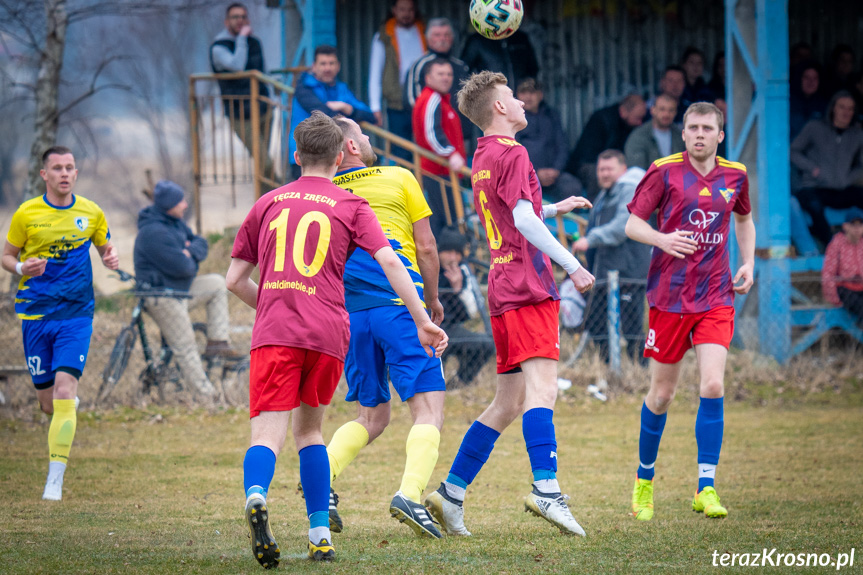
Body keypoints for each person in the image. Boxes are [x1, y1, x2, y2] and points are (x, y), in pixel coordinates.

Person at [226, 111, 447, 566]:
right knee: (310, 431)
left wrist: (270, 306)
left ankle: (255, 494)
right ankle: (321, 535)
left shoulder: (268, 202)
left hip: (278, 330)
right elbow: (391, 260)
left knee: (268, 434)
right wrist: (423, 316)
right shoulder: (351, 204)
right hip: (328, 329)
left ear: (296, 155)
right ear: (339, 154)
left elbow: (233, 280)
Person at [423, 71, 595, 538]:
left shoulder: (483, 155)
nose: (521, 102)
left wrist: (554, 208)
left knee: (507, 401)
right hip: (528, 284)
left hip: (501, 283)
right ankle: (546, 489)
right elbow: (520, 218)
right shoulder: (515, 152)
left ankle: (451, 493)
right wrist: (572, 266)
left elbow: (510, 208)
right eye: (514, 97)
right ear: (499, 108)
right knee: (544, 391)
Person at [625, 102, 756, 522]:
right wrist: (662, 240)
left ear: (720, 135)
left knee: (713, 384)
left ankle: (706, 487)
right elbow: (633, 224)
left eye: (707, 128)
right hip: (669, 298)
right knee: (662, 395)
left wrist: (749, 262)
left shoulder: (735, 175)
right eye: (692, 127)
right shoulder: (663, 170)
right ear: (683, 134)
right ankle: (644, 482)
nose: (699, 134)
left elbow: (744, 219)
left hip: (716, 294)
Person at [320, 115, 447, 539]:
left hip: (350, 314)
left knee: (371, 415)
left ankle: (323, 479)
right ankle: (410, 495)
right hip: (399, 305)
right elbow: (426, 247)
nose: (370, 137)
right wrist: (429, 303)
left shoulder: (325, 192)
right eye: (363, 133)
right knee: (428, 409)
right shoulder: (397, 176)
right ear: (351, 147)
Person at [2, 146, 119, 501]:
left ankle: (55, 479)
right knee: (49, 404)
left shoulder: (91, 212)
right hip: (36, 315)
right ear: (45, 175)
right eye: (57, 168)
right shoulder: (26, 214)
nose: (64, 173)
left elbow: (106, 249)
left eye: (70, 167)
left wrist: (111, 257)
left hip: (76, 315)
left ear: (76, 173)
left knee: (66, 390)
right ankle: (63, 409)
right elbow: (7, 256)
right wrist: (22, 268)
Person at [133, 180, 241, 399]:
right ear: (168, 205)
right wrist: (189, 256)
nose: (184, 205)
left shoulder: (175, 222)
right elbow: (184, 268)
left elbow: (200, 243)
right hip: (161, 296)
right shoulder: (153, 233)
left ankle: (217, 343)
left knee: (217, 283)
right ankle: (208, 398)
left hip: (180, 289)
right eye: (180, 201)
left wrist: (190, 252)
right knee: (186, 345)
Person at [572, 150, 650, 365]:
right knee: (596, 323)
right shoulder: (604, 194)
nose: (604, 174)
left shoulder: (629, 190)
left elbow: (623, 226)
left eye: (609, 169)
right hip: (604, 272)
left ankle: (639, 372)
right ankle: (607, 367)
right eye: (601, 169)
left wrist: (591, 239)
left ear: (623, 170)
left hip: (629, 272)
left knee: (632, 326)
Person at [288, 45, 376, 181]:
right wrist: (344, 112)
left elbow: (370, 115)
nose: (327, 68)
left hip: (334, 157)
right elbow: (324, 115)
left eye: (331, 63)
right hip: (305, 154)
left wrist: (346, 107)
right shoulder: (304, 88)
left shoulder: (341, 88)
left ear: (338, 66)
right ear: (314, 66)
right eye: (323, 64)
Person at [209, 3, 273, 178]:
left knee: (263, 165)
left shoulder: (255, 42)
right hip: (240, 113)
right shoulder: (219, 47)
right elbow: (237, 66)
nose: (240, 20)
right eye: (235, 17)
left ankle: (267, 204)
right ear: (226, 21)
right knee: (265, 163)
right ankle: (284, 195)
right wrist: (242, 39)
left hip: (263, 108)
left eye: (243, 17)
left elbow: (262, 72)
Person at [791, 91, 863, 245]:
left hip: (841, 188)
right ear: (833, 109)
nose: (846, 112)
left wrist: (849, 177)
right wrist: (813, 169)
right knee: (813, 205)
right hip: (815, 186)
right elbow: (793, 151)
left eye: (850, 109)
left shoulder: (857, 134)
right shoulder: (814, 127)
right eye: (842, 107)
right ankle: (833, 248)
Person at [412, 58, 466, 237]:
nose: (446, 78)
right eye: (440, 74)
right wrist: (450, 154)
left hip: (443, 171)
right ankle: (445, 263)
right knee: (447, 222)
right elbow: (431, 133)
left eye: (449, 74)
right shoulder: (432, 98)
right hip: (437, 171)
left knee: (445, 220)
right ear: (428, 77)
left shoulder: (439, 99)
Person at [436, 227, 496, 387]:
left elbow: (469, 313)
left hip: (451, 329)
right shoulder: (427, 267)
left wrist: (458, 289)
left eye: (457, 253)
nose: (453, 258)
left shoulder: (463, 272)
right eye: (448, 252)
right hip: (425, 327)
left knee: (485, 344)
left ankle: (459, 383)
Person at [369, 0, 426, 161]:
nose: (406, 14)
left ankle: (427, 186)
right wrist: (375, 107)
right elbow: (375, 73)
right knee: (401, 152)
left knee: (427, 151)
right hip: (397, 103)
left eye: (410, 9)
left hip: (423, 100)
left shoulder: (425, 31)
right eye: (402, 9)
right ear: (394, 10)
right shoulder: (384, 35)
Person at [566, 94, 646, 200]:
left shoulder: (630, 125)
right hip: (587, 164)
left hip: (614, 162)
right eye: (638, 118)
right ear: (623, 111)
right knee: (600, 173)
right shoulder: (602, 120)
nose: (640, 123)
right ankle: (595, 207)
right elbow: (589, 156)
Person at [515, 78, 582, 203]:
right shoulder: (513, 118)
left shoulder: (551, 115)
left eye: (532, 92)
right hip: (526, 175)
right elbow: (513, 152)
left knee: (573, 188)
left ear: (540, 95)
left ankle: (563, 222)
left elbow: (562, 146)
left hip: (554, 175)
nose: (528, 97)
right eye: (523, 93)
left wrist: (556, 170)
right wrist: (535, 171)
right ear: (517, 95)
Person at [404, 18, 470, 116]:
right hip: (432, 126)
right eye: (437, 35)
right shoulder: (420, 66)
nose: (442, 39)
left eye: (446, 35)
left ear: (452, 38)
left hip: (459, 128)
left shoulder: (461, 66)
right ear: (428, 39)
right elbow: (411, 100)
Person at [821, 207, 863, 325]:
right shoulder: (837, 244)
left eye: (860, 225)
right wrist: (834, 299)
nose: (857, 229)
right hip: (844, 288)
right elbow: (828, 273)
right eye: (853, 225)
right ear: (845, 226)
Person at [624, 93, 684, 171]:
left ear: (676, 112)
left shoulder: (681, 135)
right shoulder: (639, 136)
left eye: (671, 110)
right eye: (662, 109)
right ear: (653, 110)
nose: (666, 114)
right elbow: (636, 169)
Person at [789, 62, 827, 142]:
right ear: (799, 78)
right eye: (806, 77)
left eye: (815, 78)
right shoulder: (788, 102)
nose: (811, 82)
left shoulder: (824, 105)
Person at [679, 47, 714, 111]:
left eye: (699, 63)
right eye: (691, 62)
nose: (696, 66)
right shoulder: (678, 88)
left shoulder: (708, 90)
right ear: (684, 65)